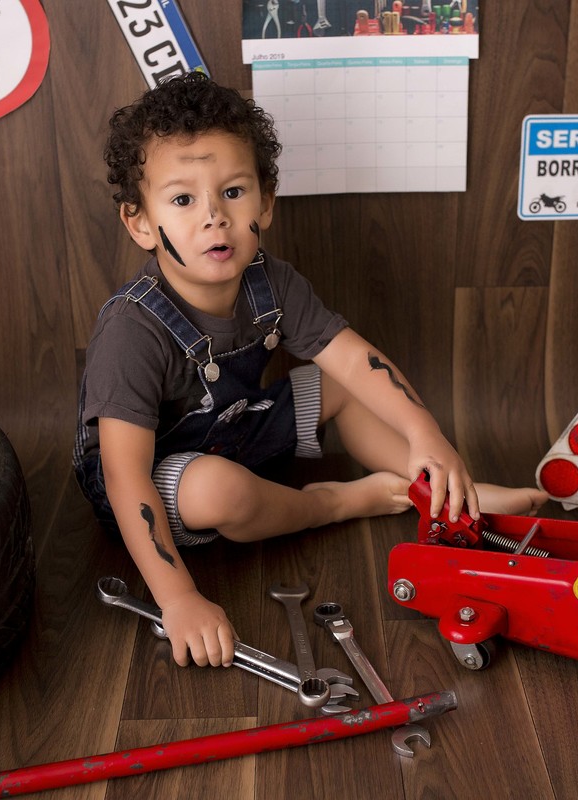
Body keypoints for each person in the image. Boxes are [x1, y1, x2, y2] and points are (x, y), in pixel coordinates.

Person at [74, 72, 545, 671]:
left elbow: (355, 358)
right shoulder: (131, 329)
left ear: (265, 202)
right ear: (140, 222)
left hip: (233, 434)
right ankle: (337, 502)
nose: (214, 217)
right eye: (183, 200)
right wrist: (179, 597)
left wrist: (429, 435)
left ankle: (437, 492)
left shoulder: (274, 283)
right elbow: (124, 476)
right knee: (216, 486)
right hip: (157, 486)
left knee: (346, 384)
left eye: (234, 192)